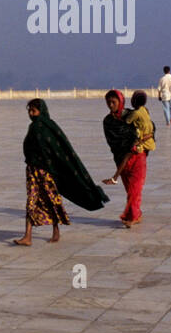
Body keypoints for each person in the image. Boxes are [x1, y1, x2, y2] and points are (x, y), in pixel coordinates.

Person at [14, 99, 108, 246]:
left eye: (34, 111)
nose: (31, 114)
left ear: (42, 111)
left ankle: (55, 230)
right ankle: (28, 236)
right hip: (32, 171)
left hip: (46, 172)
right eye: (29, 111)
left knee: (51, 200)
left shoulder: (48, 127)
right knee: (31, 201)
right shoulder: (32, 127)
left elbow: (59, 149)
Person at [106, 90, 156, 227]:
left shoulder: (133, 114)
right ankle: (137, 213)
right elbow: (112, 140)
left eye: (113, 102)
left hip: (138, 157)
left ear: (121, 102)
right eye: (108, 102)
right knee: (131, 191)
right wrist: (129, 143)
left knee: (135, 189)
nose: (111, 105)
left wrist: (140, 141)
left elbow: (151, 128)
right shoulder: (108, 121)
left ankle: (131, 217)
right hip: (121, 160)